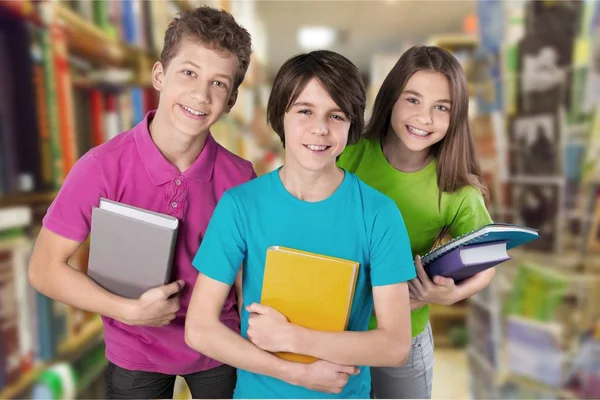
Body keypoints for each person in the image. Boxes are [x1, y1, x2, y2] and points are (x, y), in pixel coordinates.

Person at [28, 7, 255, 399]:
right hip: (135, 348)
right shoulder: (101, 167)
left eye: (219, 83)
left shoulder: (241, 177)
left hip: (220, 345)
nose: (201, 95)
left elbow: (246, 282)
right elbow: (44, 269)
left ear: (232, 100)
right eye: (188, 72)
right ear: (159, 75)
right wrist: (127, 311)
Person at [185, 50, 416, 399]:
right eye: (305, 111)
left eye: (336, 115)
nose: (320, 129)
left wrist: (293, 338)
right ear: (281, 116)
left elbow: (396, 345)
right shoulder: (240, 206)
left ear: (351, 124)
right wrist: (296, 373)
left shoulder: (379, 214)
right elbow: (199, 329)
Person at [338, 45, 495, 399]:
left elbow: (487, 263)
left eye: (441, 108)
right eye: (413, 100)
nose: (424, 118)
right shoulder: (349, 156)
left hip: (406, 334)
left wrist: (453, 294)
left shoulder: (456, 188)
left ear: (455, 117)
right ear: (391, 98)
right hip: (339, 328)